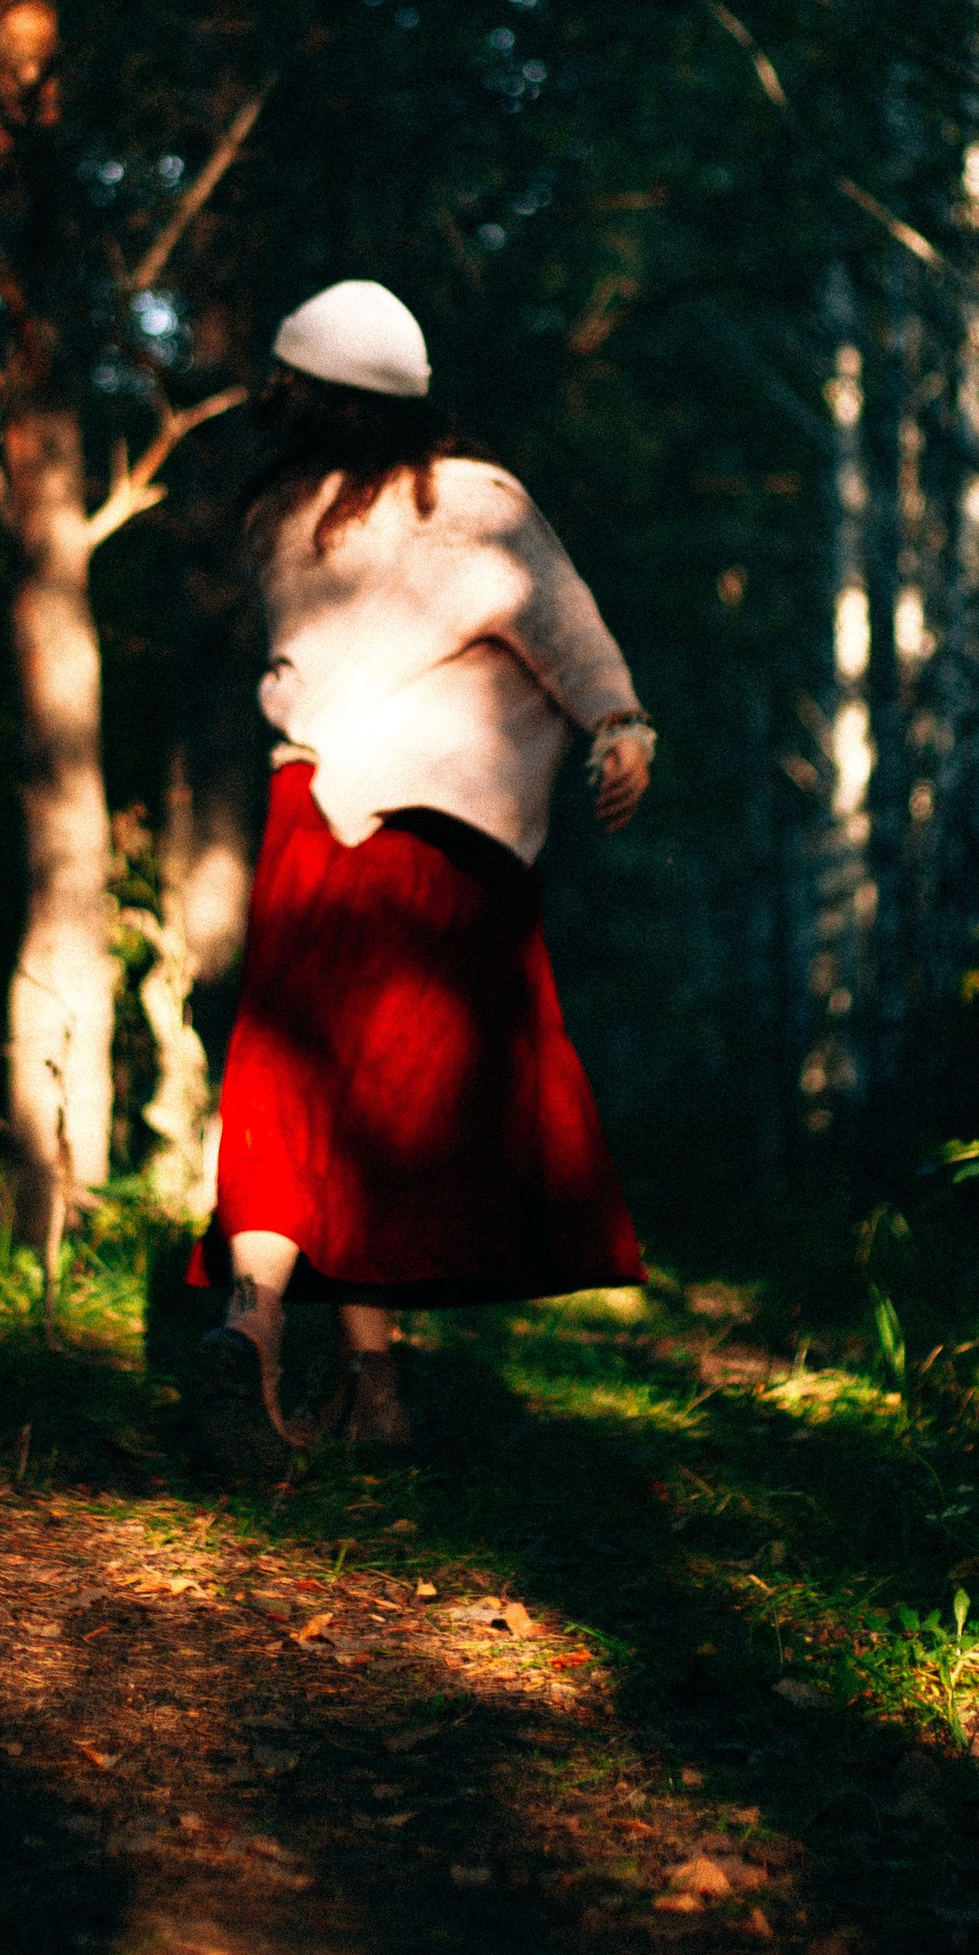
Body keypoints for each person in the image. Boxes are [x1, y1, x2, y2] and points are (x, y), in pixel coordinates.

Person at [187, 277, 655, 1473]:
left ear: (306, 396)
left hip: (312, 819)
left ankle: (269, 1332)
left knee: (298, 1089)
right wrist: (619, 725)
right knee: (390, 1105)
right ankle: (375, 1382)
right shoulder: (470, 502)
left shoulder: (277, 514)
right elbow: (561, 620)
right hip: (435, 843)